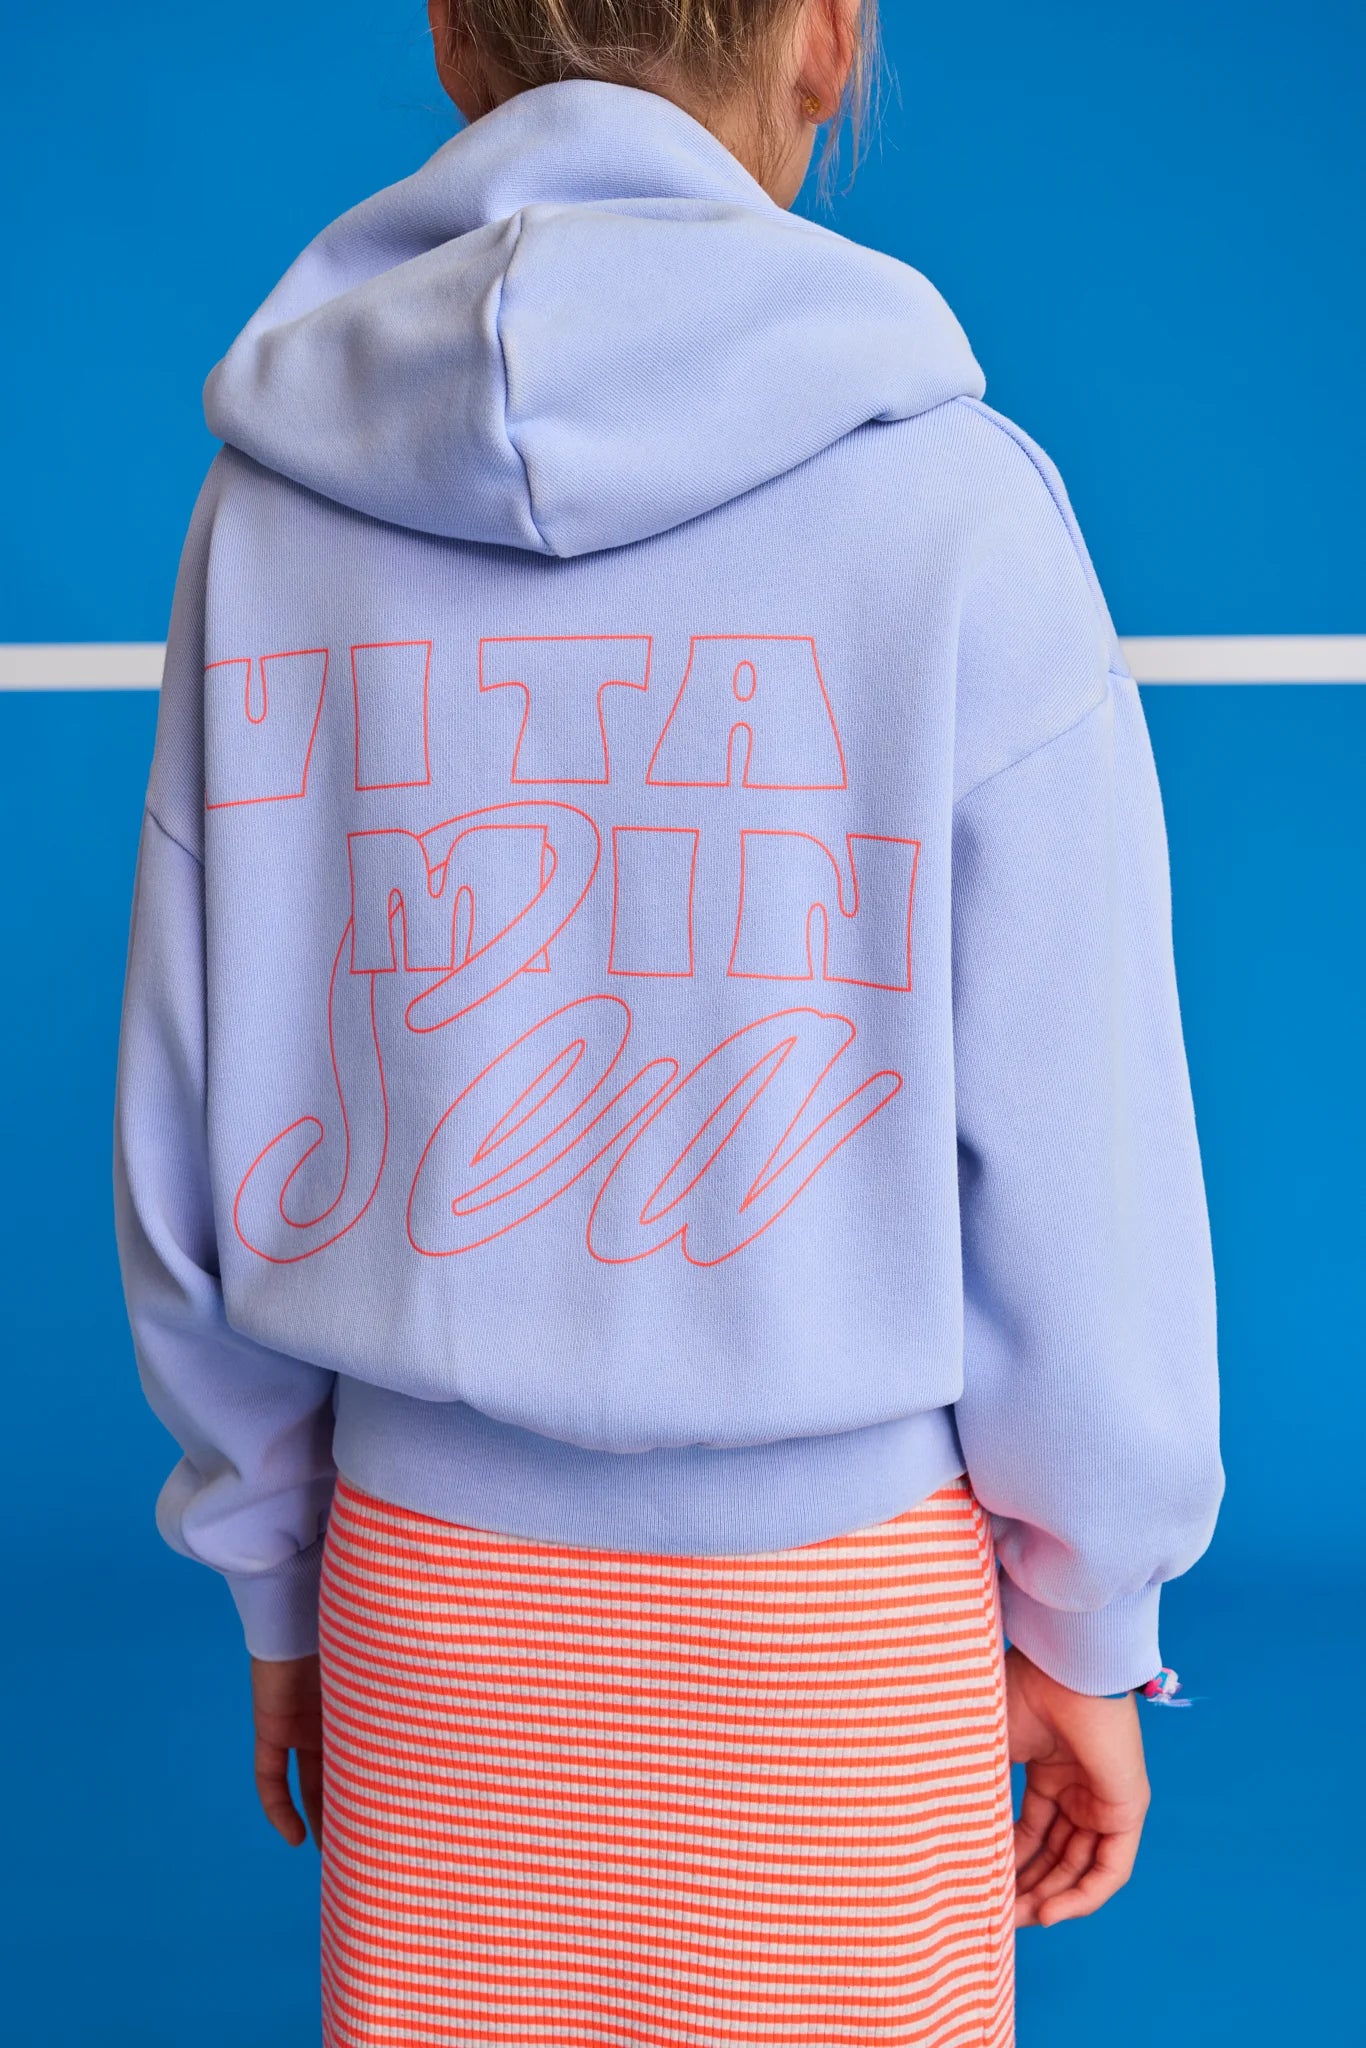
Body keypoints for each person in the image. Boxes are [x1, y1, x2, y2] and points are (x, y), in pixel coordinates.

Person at [112, 0, 1224, 2039]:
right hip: (839, 1626)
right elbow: (1082, 1170)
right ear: (828, 38)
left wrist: (277, 1568)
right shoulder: (961, 508)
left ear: (453, 33)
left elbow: (195, 1106)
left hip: (428, 1593)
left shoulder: (263, 512)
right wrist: (1090, 1620)